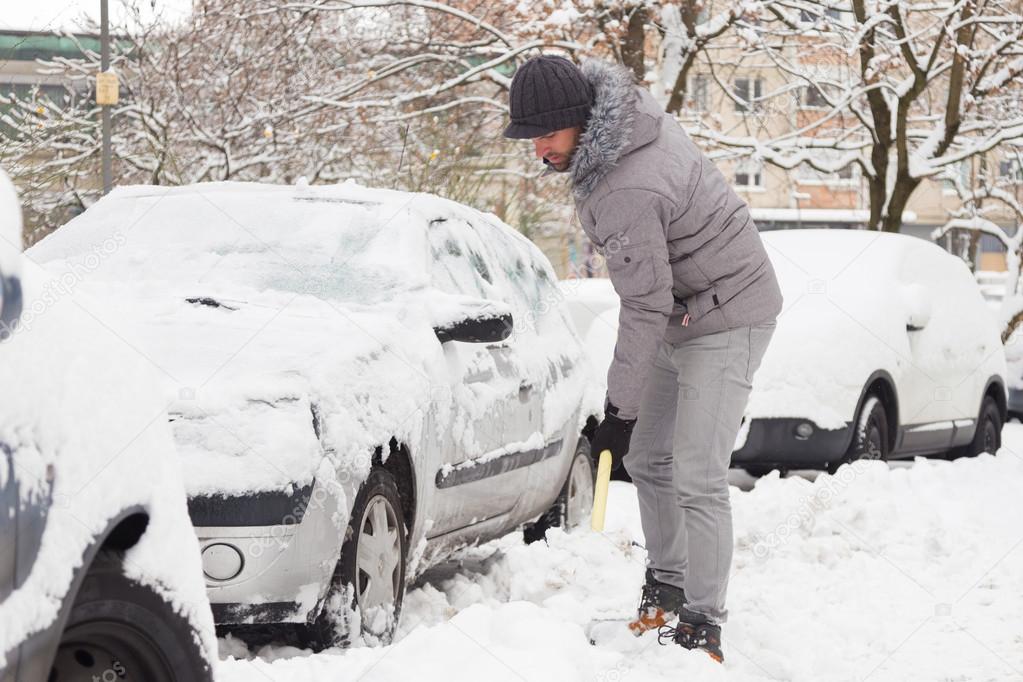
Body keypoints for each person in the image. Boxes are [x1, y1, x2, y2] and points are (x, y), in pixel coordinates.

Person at [503, 54, 783, 663]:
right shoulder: (618, 138)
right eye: (530, 138)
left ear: (578, 119)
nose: (538, 150)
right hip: (684, 307)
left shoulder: (626, 183)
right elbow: (652, 296)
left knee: (697, 473)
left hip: (730, 312)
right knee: (649, 458)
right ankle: (668, 589)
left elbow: (642, 303)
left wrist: (619, 409)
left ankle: (703, 624)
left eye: (546, 134)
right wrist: (626, 422)